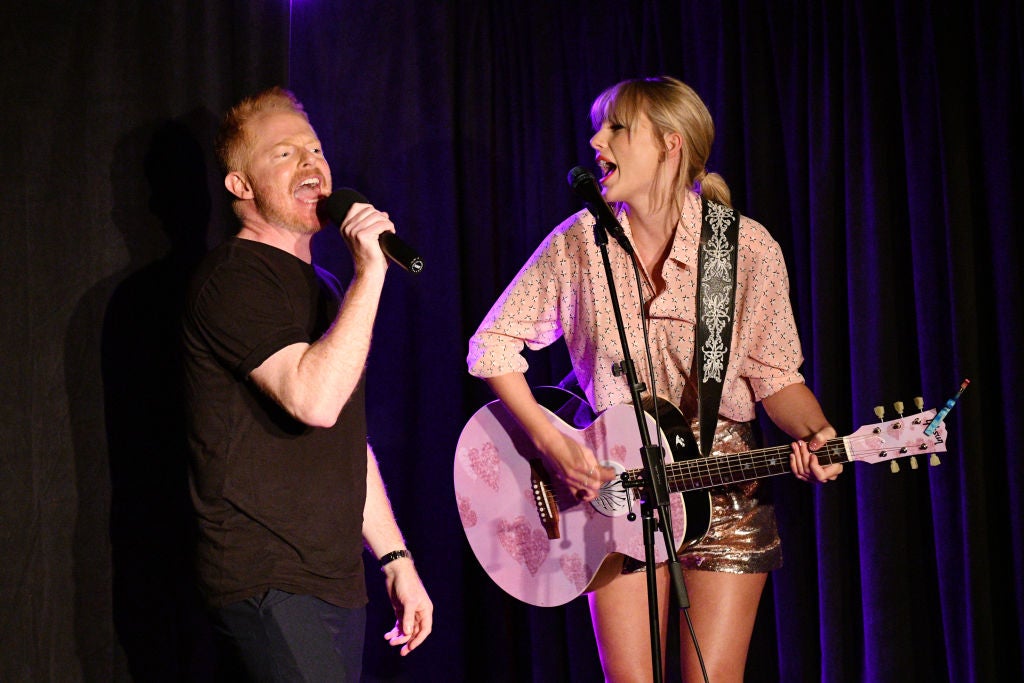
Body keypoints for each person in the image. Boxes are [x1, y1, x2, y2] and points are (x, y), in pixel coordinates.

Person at [467, 76, 841, 683]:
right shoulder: (580, 245)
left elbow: (775, 376)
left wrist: (820, 433)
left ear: (670, 145)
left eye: (616, 127)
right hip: (617, 484)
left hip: (723, 486)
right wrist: (554, 444)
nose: (596, 140)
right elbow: (491, 346)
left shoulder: (746, 249)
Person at [182, 86, 432, 681]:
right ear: (241, 186)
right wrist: (371, 272)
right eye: (285, 153)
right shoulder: (233, 278)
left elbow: (347, 438)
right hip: (265, 575)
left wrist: (396, 559)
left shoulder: (322, 288)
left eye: (315, 149)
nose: (311, 163)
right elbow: (313, 401)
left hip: (333, 578)